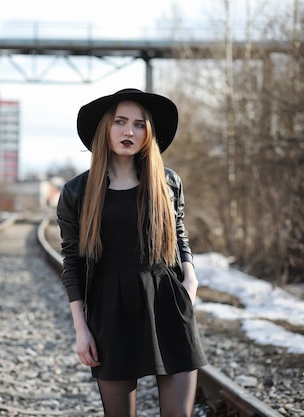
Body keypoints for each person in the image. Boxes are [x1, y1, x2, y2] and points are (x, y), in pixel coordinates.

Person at [56, 88, 207, 417]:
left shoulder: (167, 182)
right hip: (111, 309)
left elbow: (179, 233)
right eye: (120, 122)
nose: (129, 132)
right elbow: (73, 262)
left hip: (167, 301)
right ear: (104, 129)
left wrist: (190, 277)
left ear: (149, 132)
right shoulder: (77, 192)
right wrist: (81, 330)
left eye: (139, 124)